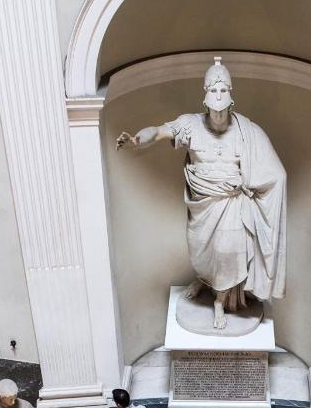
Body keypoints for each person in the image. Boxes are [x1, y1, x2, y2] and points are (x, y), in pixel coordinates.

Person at [116, 58, 287, 330]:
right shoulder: (190, 125)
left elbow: (277, 174)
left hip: (232, 204)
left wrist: (252, 189)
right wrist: (137, 139)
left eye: (223, 91)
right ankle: (205, 281)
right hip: (202, 205)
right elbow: (160, 132)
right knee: (203, 253)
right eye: (213, 91)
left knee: (228, 251)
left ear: (231, 95)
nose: (218, 96)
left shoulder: (248, 132)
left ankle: (220, 301)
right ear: (205, 95)